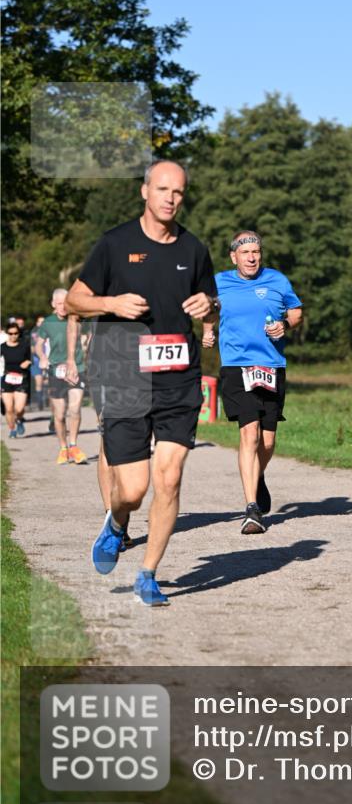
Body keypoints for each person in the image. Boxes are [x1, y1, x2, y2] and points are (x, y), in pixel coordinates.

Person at [65, 160, 218, 607]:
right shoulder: (115, 244)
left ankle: (148, 573)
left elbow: (212, 309)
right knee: (131, 490)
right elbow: (75, 299)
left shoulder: (194, 249)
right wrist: (111, 301)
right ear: (144, 192)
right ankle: (116, 524)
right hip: (123, 373)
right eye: (163, 189)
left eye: (180, 191)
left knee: (168, 479)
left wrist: (207, 306)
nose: (171, 198)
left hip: (178, 377)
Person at [206, 230, 302, 535]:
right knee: (250, 434)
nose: (252, 257)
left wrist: (284, 325)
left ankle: (256, 475)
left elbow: (296, 311)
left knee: (268, 441)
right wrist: (208, 330)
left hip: (271, 365)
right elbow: (207, 308)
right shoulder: (220, 282)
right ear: (234, 257)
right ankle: (251, 509)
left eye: (256, 252)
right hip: (236, 366)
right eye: (246, 253)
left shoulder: (277, 281)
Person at [65, 312, 132, 551]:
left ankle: (121, 509)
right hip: (105, 365)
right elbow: (74, 311)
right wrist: (72, 359)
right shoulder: (101, 276)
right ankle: (111, 519)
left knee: (133, 442)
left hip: (142, 363)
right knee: (110, 435)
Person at [36, 289, 88, 465]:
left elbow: (87, 338)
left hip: (77, 369)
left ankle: (73, 445)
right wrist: (42, 357)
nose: (63, 307)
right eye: (59, 304)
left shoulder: (78, 319)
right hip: (56, 371)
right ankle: (63, 448)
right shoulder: (47, 323)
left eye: (65, 303)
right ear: (53, 304)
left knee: (75, 409)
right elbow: (38, 345)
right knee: (59, 414)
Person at [1, 323, 31, 438]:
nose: (13, 336)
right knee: (8, 409)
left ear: (19, 333)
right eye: (11, 333)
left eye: (16, 333)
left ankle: (19, 419)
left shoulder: (24, 346)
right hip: (7, 379)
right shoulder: (2, 347)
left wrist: (27, 362)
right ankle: (12, 429)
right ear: (7, 334)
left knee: (19, 409)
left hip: (21, 379)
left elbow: (31, 358)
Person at [30, 316, 46, 410]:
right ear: (37, 323)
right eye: (40, 322)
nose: (42, 324)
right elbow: (32, 348)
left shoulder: (50, 332)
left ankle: (48, 400)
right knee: (39, 382)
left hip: (50, 360)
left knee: (47, 382)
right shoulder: (34, 334)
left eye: (43, 322)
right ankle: (40, 402)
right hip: (37, 361)